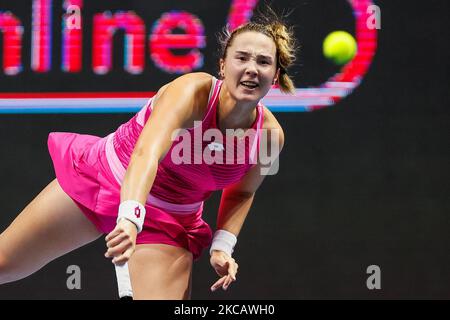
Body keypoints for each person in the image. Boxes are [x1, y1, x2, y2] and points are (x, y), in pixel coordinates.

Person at [0, 8, 297, 299]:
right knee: (3, 265)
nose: (251, 69)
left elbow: (243, 193)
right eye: (241, 58)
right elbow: (146, 154)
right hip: (106, 177)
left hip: (169, 219)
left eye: (263, 62)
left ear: (275, 75)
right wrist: (130, 216)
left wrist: (222, 246)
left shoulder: (271, 137)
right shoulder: (191, 92)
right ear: (222, 66)